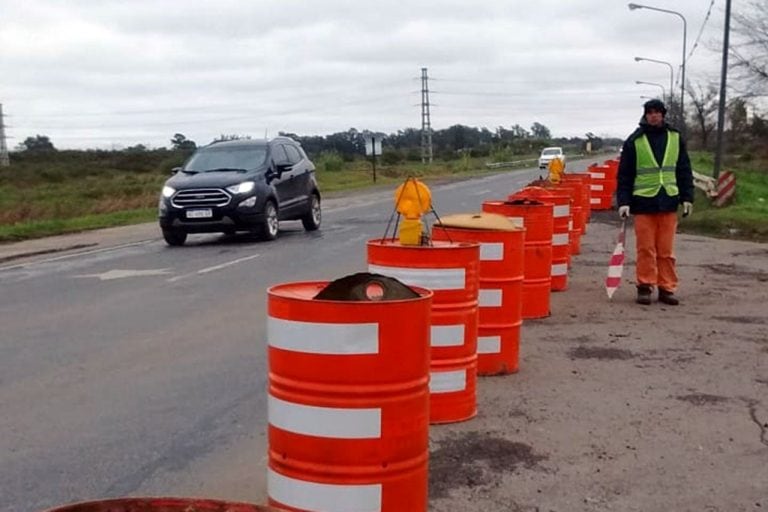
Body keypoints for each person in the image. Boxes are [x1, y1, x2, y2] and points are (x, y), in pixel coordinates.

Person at [616, 99, 694, 306]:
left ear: (663, 114)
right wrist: (623, 202)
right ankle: (645, 286)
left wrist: (687, 197)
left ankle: (666, 288)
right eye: (650, 112)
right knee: (646, 249)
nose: (653, 115)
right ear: (645, 115)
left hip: (668, 200)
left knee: (666, 251)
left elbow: (684, 169)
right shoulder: (634, 141)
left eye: (657, 112)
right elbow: (624, 175)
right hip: (643, 203)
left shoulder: (675, 138)